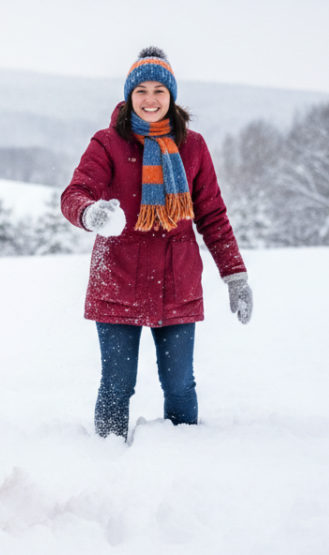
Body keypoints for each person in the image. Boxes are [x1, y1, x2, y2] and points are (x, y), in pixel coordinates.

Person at [60, 47, 253, 439]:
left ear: (172, 96)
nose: (150, 99)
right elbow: (75, 193)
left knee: (180, 386)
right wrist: (90, 212)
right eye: (141, 90)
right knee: (117, 386)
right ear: (129, 96)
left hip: (176, 282)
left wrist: (235, 276)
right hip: (117, 280)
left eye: (159, 90)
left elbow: (212, 215)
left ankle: (182, 464)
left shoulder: (193, 146)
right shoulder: (108, 143)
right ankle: (105, 464)